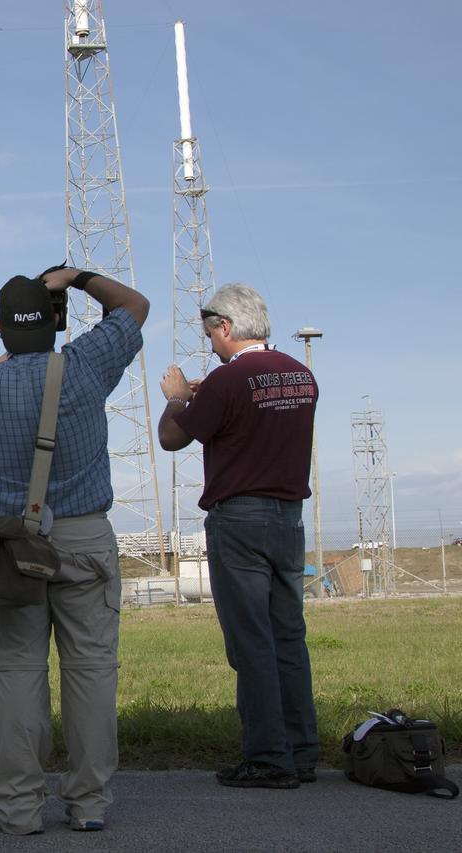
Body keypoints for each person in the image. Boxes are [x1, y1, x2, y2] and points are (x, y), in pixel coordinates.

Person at [0, 266, 148, 835]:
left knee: (18, 674)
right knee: (91, 673)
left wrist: (23, 336)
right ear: (56, 324)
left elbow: (7, 360)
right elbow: (134, 308)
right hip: (84, 538)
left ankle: (18, 810)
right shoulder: (86, 365)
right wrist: (78, 279)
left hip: (11, 547)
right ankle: (89, 804)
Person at [157, 283, 319, 789]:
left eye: (209, 333)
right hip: (289, 517)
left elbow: (172, 437)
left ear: (225, 327)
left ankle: (269, 759)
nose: (209, 342)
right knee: (288, 636)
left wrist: (179, 399)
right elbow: (257, 418)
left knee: (250, 641)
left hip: (239, 519)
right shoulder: (301, 374)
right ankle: (302, 751)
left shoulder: (230, 380)